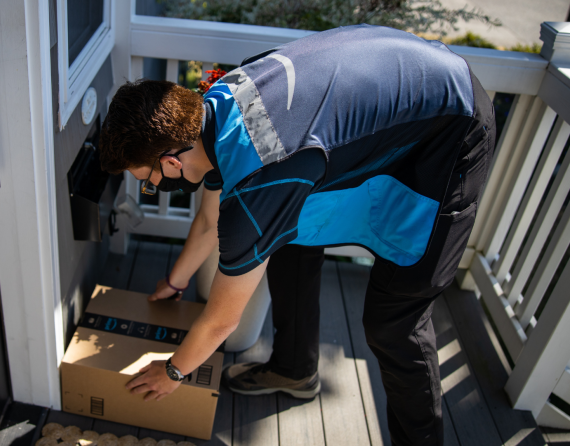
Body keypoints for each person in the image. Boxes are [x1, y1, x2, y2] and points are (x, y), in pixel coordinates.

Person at [103, 24, 494, 446]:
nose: (152, 187)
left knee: (395, 323)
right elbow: (205, 221)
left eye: (147, 179)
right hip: (406, 89)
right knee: (288, 233)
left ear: (173, 162)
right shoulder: (212, 110)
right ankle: (295, 369)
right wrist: (176, 281)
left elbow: (221, 321)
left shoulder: (258, 182)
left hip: (456, 123)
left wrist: (173, 372)